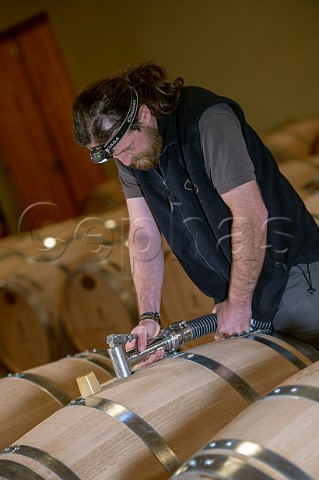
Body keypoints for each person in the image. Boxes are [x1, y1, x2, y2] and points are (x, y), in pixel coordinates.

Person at [73, 61, 319, 362]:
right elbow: (142, 233)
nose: (123, 161)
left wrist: (239, 304)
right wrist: (148, 316)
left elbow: (251, 215)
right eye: (114, 155)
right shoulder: (130, 153)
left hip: (294, 277)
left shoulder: (207, 121)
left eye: (125, 149)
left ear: (144, 115)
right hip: (238, 289)